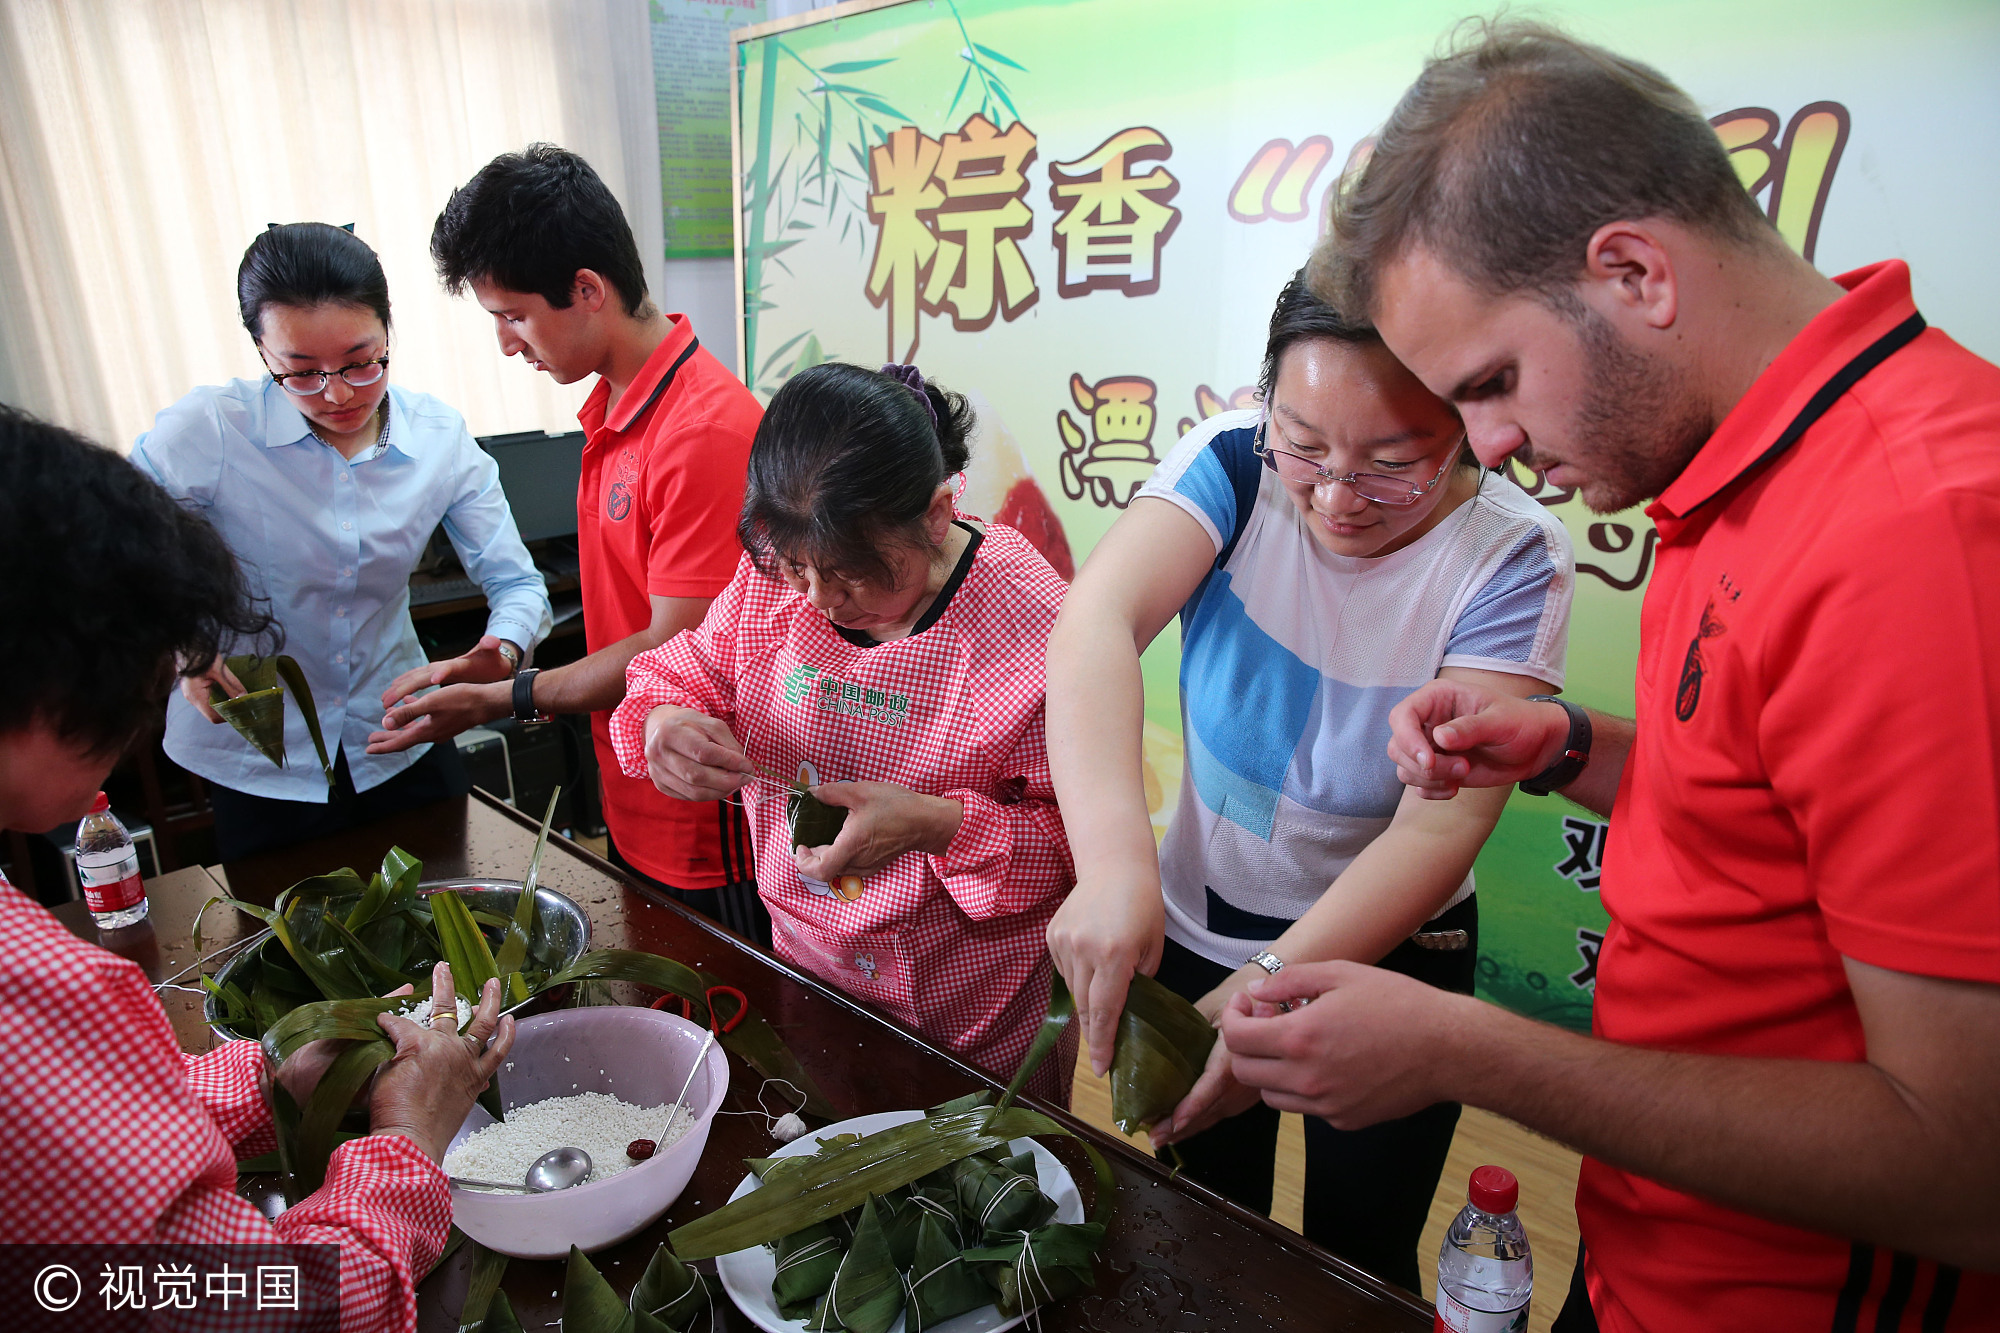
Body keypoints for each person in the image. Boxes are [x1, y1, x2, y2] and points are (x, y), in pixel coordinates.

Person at [1217, 20, 2000, 1332]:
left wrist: (1466, 1050)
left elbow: (1966, 1164)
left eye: (1494, 383)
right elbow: (1783, 821)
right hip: (1653, 1246)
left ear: (1633, 270)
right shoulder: (1740, 465)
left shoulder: (1921, 533)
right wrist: (1568, 744)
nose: (1495, 446)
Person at [1043, 270, 1573, 1289]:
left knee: (1358, 1256)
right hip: (1197, 924)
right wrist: (1113, 866)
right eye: (1304, 445)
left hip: (1389, 956)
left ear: (1465, 429)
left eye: (1390, 465)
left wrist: (1274, 984)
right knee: (1197, 1221)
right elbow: (1093, 623)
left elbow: (1429, 832)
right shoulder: (1234, 464)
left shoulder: (1509, 555)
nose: (1333, 496)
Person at [0, 403, 517, 1331]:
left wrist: (273, 1074)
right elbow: (261, 1303)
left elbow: (80, 1137)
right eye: (152, 674)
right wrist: (407, 1141)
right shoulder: (35, 988)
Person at [608, 363, 1076, 1101]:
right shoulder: (776, 586)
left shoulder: (1027, 619)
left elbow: (1072, 848)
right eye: (799, 568)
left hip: (970, 1020)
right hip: (810, 977)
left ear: (935, 513)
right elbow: (676, 670)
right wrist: (665, 722)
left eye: (854, 572)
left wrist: (935, 824)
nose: (822, 599)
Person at [381, 145, 766, 945]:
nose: (508, 344)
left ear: (588, 289)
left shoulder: (704, 430)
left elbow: (674, 649)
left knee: (730, 1039)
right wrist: (500, 663)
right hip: (633, 790)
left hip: (700, 812)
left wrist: (507, 695)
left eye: (514, 315)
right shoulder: (613, 407)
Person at [131, 222, 552, 861]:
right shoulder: (211, 432)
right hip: (260, 755)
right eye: (300, 372)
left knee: (449, 925)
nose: (336, 393)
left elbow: (517, 583)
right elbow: (121, 549)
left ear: (389, 332)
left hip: (399, 732)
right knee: (284, 945)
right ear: (262, 353)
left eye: (362, 362)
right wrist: (184, 642)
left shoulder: (436, 436)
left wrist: (503, 649)